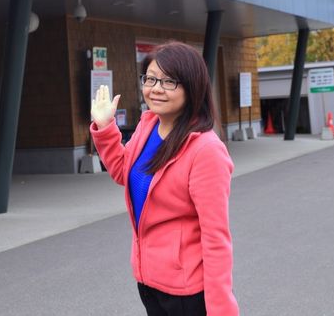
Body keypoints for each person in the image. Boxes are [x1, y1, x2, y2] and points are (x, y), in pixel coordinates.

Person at [90, 41, 239, 316]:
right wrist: (105, 127)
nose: (156, 88)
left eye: (170, 81)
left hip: (187, 293)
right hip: (150, 281)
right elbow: (125, 172)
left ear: (192, 87)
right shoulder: (148, 125)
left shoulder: (206, 150)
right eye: (151, 78)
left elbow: (216, 237)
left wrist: (221, 310)